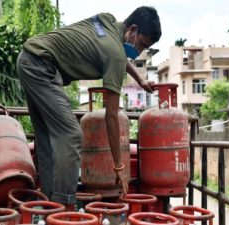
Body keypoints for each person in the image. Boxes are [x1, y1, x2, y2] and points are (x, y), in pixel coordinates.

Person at [17, 6, 161, 210]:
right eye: (141, 44)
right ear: (133, 30)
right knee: (72, 134)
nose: (139, 52)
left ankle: (49, 204)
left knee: (47, 137)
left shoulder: (108, 21)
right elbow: (111, 116)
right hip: (42, 68)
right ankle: (64, 207)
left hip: (28, 59)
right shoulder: (115, 55)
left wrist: (139, 79)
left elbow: (118, 54)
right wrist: (119, 166)